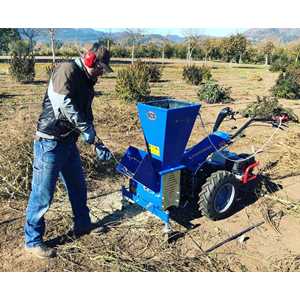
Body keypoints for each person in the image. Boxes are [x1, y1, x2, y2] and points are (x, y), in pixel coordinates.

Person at [24, 43, 113, 259]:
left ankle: (83, 225)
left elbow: (85, 114)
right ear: (90, 60)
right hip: (50, 143)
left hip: (68, 144)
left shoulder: (86, 80)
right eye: (100, 69)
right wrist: (85, 129)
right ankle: (33, 241)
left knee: (78, 187)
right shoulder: (66, 70)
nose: (101, 74)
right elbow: (63, 103)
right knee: (42, 194)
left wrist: (96, 141)